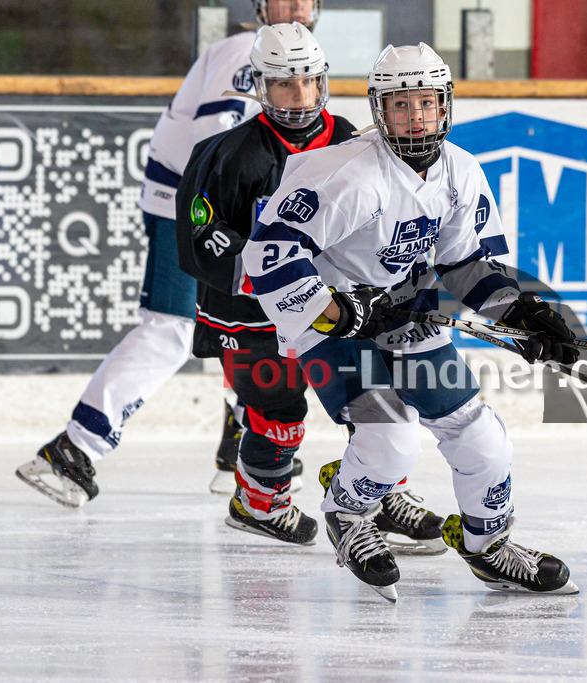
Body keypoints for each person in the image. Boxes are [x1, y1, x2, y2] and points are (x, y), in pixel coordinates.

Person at [242, 43, 581, 600]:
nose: (416, 117)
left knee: (482, 439)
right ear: (379, 110)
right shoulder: (346, 175)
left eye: (426, 102)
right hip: (331, 326)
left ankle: (487, 546)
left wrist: (522, 313)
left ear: (445, 104)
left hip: (405, 316)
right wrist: (339, 310)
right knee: (391, 438)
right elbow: (268, 254)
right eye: (400, 105)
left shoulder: (461, 171)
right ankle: (348, 513)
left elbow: (465, 264)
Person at [15, 1, 321, 507]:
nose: (297, 7)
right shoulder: (244, 52)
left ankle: (237, 453)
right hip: (194, 210)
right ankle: (73, 449)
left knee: (251, 324)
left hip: (236, 213)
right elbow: (215, 144)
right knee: (172, 329)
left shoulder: (296, 56)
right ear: (260, 5)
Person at [175, 24, 446, 553]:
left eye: (308, 81)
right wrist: (288, 286)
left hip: (340, 307)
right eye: (283, 83)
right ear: (260, 85)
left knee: (376, 403)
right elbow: (202, 243)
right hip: (251, 316)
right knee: (278, 409)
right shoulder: (225, 155)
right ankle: (259, 502)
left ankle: (381, 493)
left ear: (324, 81)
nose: (299, 96)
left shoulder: (356, 141)